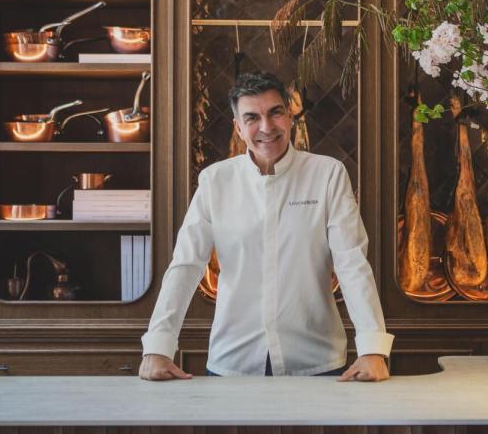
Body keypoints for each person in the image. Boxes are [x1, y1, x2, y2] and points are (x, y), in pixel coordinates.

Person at [139, 71, 392, 381]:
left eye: (275, 113)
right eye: (252, 118)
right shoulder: (215, 181)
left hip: (317, 360)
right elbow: (186, 265)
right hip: (233, 362)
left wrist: (372, 349)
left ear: (290, 116)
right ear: (238, 127)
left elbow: (351, 262)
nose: (266, 127)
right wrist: (157, 348)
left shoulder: (328, 174)